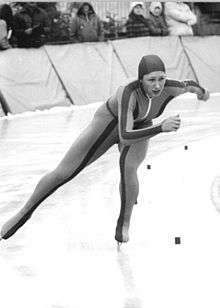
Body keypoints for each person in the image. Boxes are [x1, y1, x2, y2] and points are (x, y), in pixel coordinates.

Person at [0, 55, 209, 244]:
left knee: (128, 168)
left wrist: (203, 93)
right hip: (108, 124)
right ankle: (24, 211)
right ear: (140, 79)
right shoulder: (128, 92)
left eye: (161, 79)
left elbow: (191, 86)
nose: (157, 85)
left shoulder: (173, 87)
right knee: (65, 172)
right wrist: (161, 127)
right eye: (151, 80)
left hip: (142, 124)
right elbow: (125, 136)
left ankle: (124, 224)